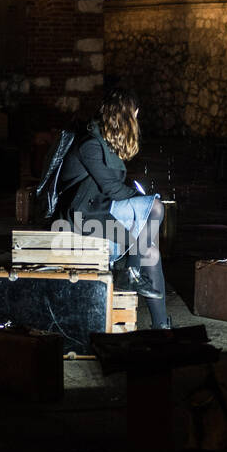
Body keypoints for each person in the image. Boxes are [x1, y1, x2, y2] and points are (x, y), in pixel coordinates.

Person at [54, 88, 171, 329]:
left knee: (151, 253)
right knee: (156, 208)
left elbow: (112, 191)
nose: (137, 122)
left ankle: (162, 329)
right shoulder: (90, 145)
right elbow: (113, 189)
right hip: (82, 217)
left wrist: (141, 202)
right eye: (135, 117)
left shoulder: (102, 141)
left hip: (100, 209)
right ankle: (131, 272)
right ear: (129, 116)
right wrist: (145, 201)